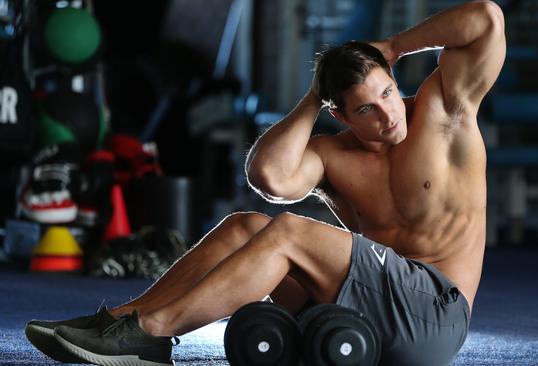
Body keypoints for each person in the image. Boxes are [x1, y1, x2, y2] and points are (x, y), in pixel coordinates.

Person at [25, 1, 505, 365]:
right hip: (366, 307)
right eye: (365, 109)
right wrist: (312, 99)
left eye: (386, 93)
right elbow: (269, 178)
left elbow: (485, 17)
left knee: (290, 231)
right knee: (245, 226)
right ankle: (119, 322)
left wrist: (396, 46)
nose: (386, 113)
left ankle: (154, 330)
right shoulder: (332, 153)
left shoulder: (444, 114)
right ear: (340, 114)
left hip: (435, 314)